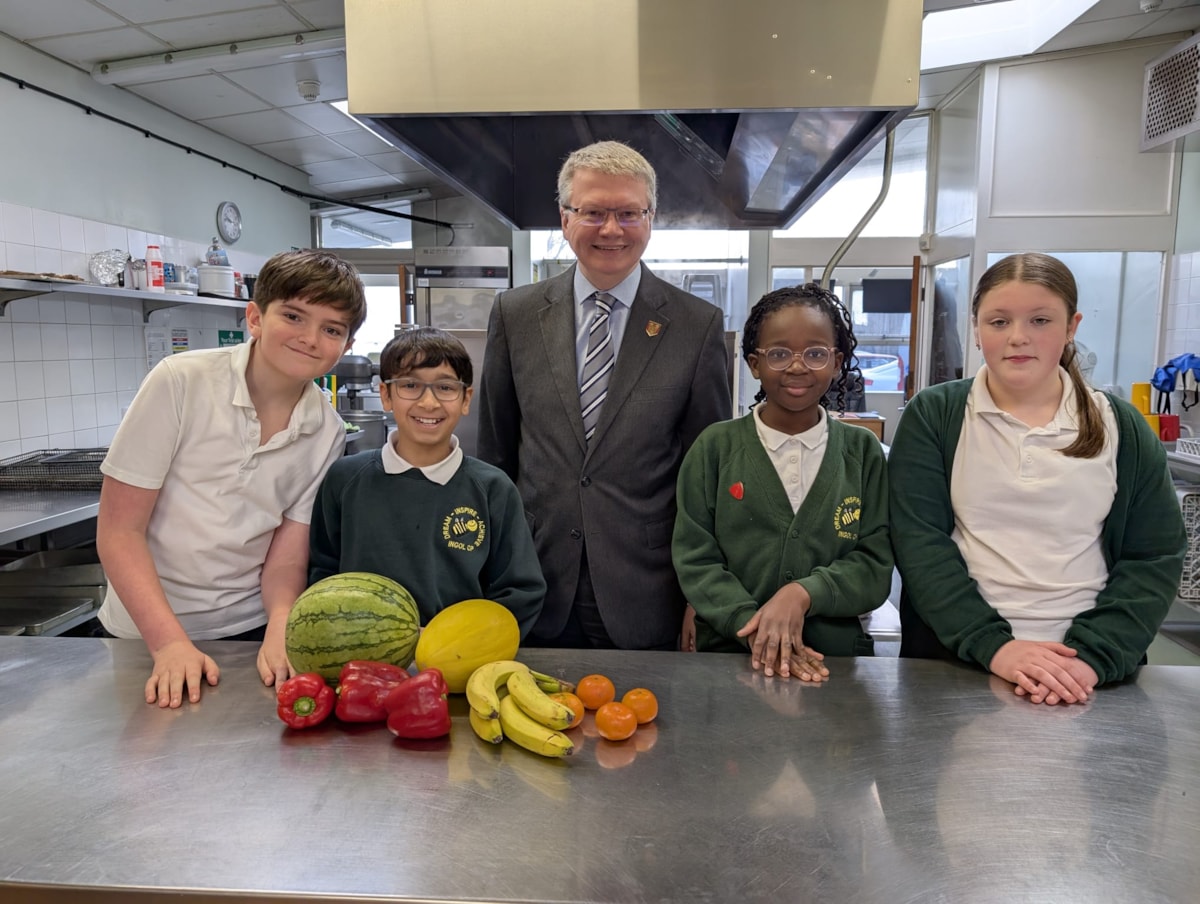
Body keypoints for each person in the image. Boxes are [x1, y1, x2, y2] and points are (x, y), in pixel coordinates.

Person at [889, 252, 1186, 705]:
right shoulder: (936, 415)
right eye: (999, 321)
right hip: (959, 664)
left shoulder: (1119, 425)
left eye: (1041, 320)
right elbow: (920, 542)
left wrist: (1089, 659)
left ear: (1072, 327)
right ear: (976, 326)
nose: (1018, 338)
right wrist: (997, 648)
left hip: (1089, 675)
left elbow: (1154, 555)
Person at [476, 140, 731, 650]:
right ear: (565, 217)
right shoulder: (515, 314)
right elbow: (496, 454)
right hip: (535, 579)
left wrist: (699, 596)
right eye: (593, 212)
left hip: (649, 587)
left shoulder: (696, 325)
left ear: (651, 218)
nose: (611, 229)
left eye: (628, 213)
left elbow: (706, 475)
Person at [96, 249, 367, 708]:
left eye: (331, 329)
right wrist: (168, 644)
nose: (310, 338)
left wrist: (281, 623)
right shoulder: (180, 381)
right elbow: (120, 531)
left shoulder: (327, 431)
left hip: (248, 632)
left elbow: (285, 554)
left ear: (345, 344)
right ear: (255, 317)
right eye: (294, 316)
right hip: (144, 633)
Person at [672, 284, 893, 679]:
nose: (797, 366)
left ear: (837, 360)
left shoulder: (862, 453)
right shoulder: (715, 448)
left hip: (833, 664)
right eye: (778, 354)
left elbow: (874, 567)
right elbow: (695, 559)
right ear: (754, 364)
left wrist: (801, 594)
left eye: (815, 353)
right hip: (729, 658)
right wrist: (755, 628)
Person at [308, 327, 545, 636]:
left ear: (465, 399)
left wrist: (459, 639)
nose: (429, 402)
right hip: (363, 663)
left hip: (459, 660)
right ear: (386, 395)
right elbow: (322, 576)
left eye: (445, 388)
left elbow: (519, 592)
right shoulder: (344, 480)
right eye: (410, 385)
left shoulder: (493, 489)